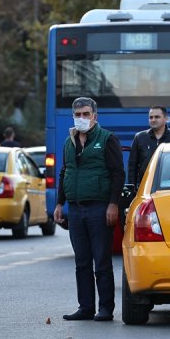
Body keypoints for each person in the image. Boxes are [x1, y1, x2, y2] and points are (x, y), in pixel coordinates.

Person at [54, 97, 125, 322]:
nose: (82, 119)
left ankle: (105, 308)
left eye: (86, 114)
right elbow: (65, 172)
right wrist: (59, 203)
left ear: (95, 115)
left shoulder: (107, 139)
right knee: (81, 262)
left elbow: (117, 173)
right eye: (78, 115)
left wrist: (113, 204)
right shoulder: (70, 141)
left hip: (99, 207)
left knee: (101, 261)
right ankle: (85, 307)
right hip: (75, 210)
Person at [128, 105, 170, 190]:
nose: (153, 120)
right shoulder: (140, 137)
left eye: (157, 117)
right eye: (151, 117)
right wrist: (132, 188)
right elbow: (132, 166)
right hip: (145, 188)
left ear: (166, 119)